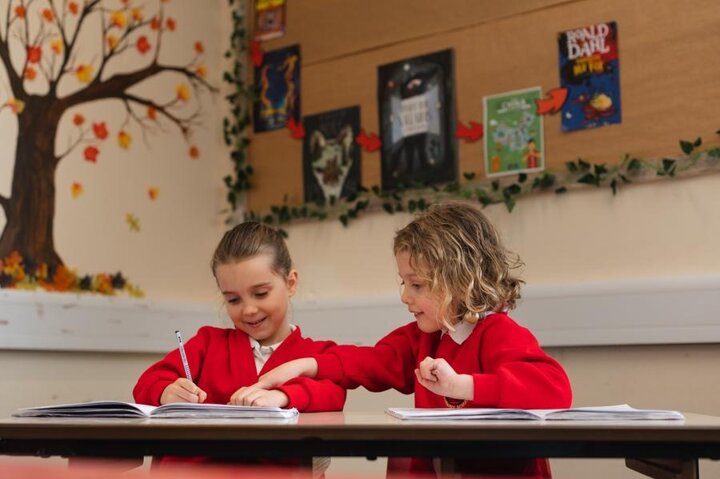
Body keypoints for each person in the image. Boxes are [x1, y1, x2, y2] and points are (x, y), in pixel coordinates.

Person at [235, 202, 572, 479]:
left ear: (460, 281)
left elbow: (554, 390)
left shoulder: (498, 332)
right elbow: (369, 362)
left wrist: (463, 386)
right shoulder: (422, 337)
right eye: (404, 282)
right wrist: (306, 364)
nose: (405, 296)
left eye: (417, 285)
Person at [133, 221, 346, 474]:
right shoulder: (207, 343)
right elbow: (147, 383)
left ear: (290, 283)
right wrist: (166, 393)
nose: (248, 310)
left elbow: (334, 394)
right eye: (233, 300)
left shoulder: (317, 356)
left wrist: (283, 397)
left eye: (261, 293)